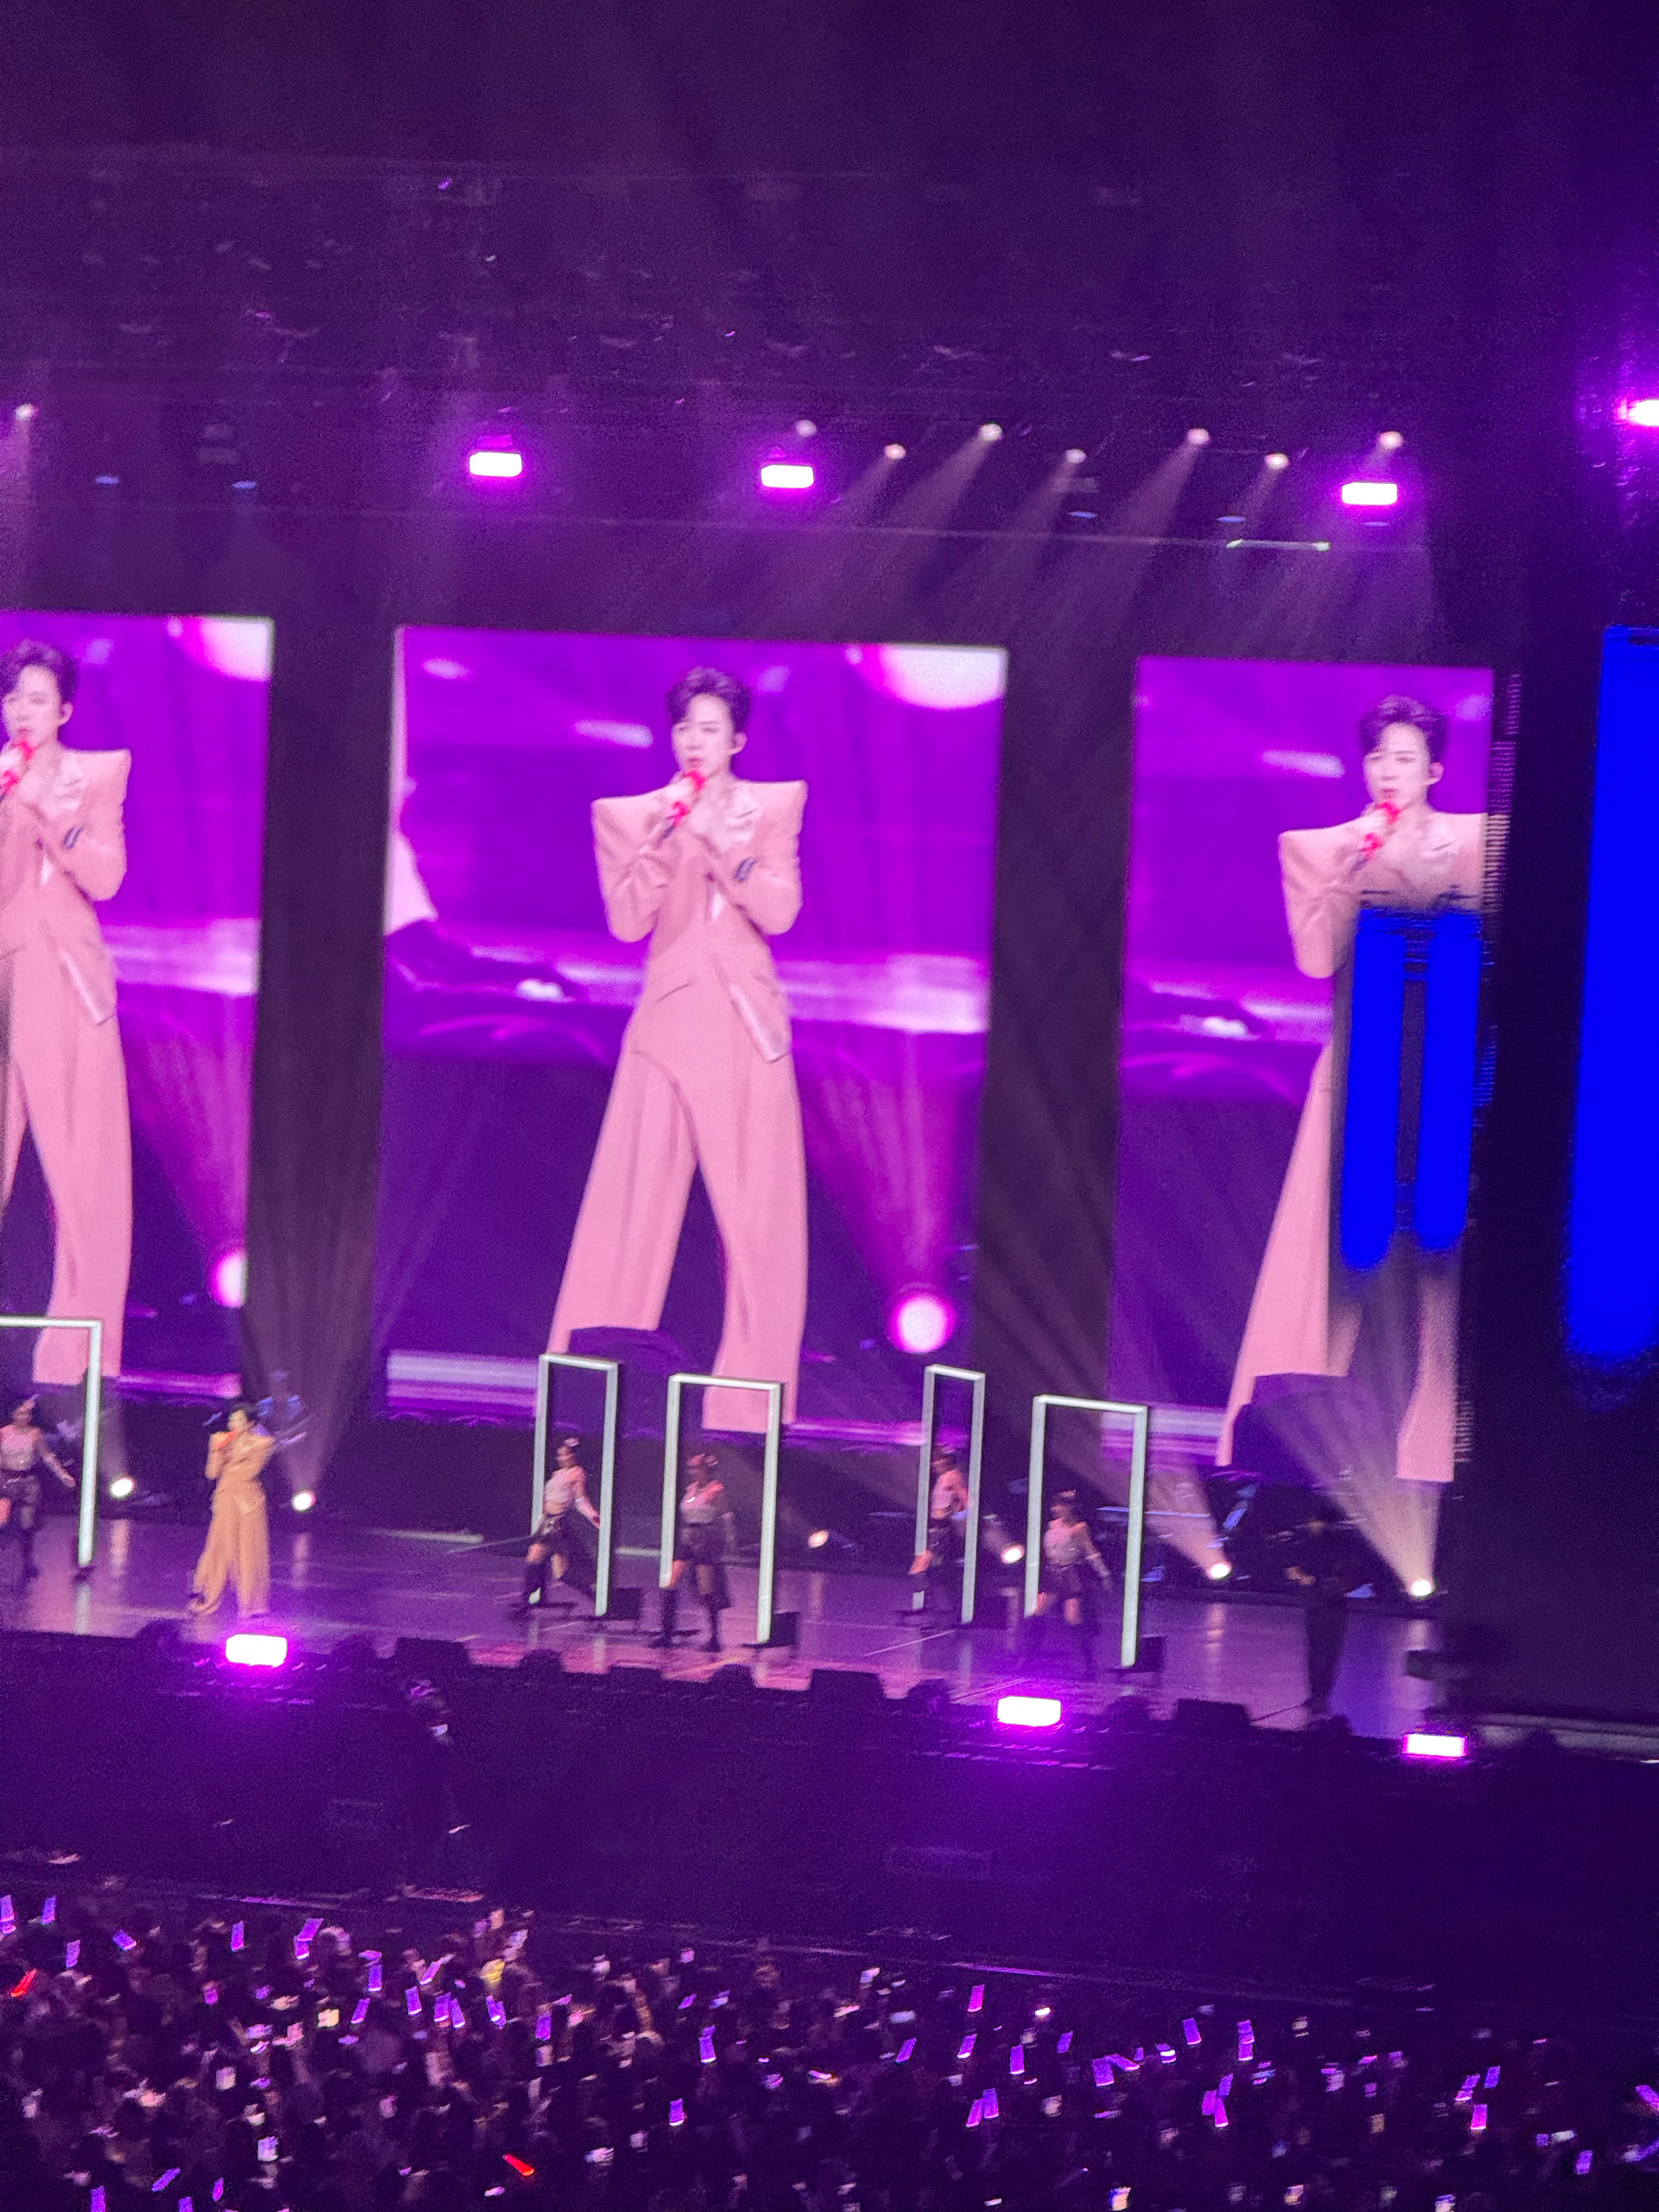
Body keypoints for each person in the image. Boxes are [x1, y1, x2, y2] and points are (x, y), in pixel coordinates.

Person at [1218, 695, 1487, 1487]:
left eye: (1405, 758)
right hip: (1362, 1078)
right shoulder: (1318, 849)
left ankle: (1438, 1458)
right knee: (1331, 1273)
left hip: (1448, 1075)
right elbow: (1315, 959)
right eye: (1377, 758)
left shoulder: (1482, 843)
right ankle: (1291, 1452)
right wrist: (1350, 871)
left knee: (1446, 1274)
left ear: (1434, 769)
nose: (1388, 771)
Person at [549, 667, 808, 1432]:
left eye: (711, 728)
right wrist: (664, 843)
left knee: (761, 1225)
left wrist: (726, 848)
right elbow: (628, 923)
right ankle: (587, 1393)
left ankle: (750, 1407)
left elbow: (781, 912)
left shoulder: (774, 806)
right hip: (667, 1022)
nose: (696, 740)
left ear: (738, 739)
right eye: (686, 728)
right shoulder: (628, 816)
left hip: (748, 1027)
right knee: (624, 1211)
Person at [0, 641, 133, 1387]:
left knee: (85, 1175)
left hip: (64, 978)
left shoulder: (98, 774)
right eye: (13, 697)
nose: (22, 710)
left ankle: (75, 1363)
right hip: (3, 968)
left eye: (38, 699)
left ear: (64, 711)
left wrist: (48, 811)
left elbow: (107, 877)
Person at [188, 1403, 274, 1618]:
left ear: (250, 1423)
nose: (233, 1423)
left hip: (248, 1502)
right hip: (226, 1498)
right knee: (218, 1544)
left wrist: (234, 1458)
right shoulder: (220, 1440)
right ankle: (205, 1594)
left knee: (248, 1548)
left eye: (239, 1419)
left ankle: (252, 1604)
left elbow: (249, 1471)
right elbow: (212, 1473)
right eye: (232, 1419)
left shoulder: (263, 1443)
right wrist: (218, 1451)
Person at [652, 1448, 737, 1654]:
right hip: (688, 1537)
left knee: (707, 1590)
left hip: (705, 1539)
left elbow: (726, 1518)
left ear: (705, 1469)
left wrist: (730, 1540)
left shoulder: (716, 1490)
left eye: (696, 1468)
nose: (692, 1472)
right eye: (691, 1468)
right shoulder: (691, 1489)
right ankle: (666, 1633)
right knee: (671, 1583)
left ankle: (715, 1638)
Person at [512, 1434, 601, 1616]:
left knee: (535, 1557)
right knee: (562, 1573)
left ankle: (525, 1603)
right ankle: (595, 1598)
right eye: (560, 1455)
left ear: (574, 1455)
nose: (562, 1458)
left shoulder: (577, 1473)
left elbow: (580, 1501)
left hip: (558, 1525)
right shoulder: (558, 1474)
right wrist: (541, 1522)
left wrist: (594, 1517)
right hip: (548, 1522)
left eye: (566, 1455)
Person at [1285, 1506, 1352, 1717]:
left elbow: (1346, 1574)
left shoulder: (1334, 1544)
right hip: (1319, 1604)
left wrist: (1310, 1579)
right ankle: (1318, 1695)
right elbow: (1293, 1568)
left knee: (1325, 1653)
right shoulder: (1311, 1543)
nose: (1311, 1525)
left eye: (1314, 1521)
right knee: (1319, 1652)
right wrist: (1301, 1575)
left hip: (1329, 1604)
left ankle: (1320, 1696)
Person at [1036, 1492, 1113, 1676]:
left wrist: (1104, 1574)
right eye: (1056, 1506)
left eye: (1062, 1506)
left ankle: (1088, 1664)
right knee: (1038, 1612)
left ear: (1071, 1508)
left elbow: (1091, 1552)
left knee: (1073, 1617)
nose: (1057, 1509)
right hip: (1053, 1572)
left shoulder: (1079, 1528)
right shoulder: (1052, 1526)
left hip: (1071, 1574)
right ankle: (1031, 1655)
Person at [0, 1395, 73, 1583]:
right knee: (2, 1523)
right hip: (5, 1482)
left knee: (27, 1525)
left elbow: (48, 1457)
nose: (23, 1417)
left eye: (27, 1414)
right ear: (13, 1414)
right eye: (20, 1413)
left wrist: (63, 1475)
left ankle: (27, 1562)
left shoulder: (35, 1434)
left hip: (27, 1484)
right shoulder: (4, 1433)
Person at [908, 1448, 969, 1615]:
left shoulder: (953, 1477)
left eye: (939, 1460)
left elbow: (965, 1501)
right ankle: (936, 1605)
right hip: (935, 1527)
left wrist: (952, 1512)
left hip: (942, 1528)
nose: (936, 1464)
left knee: (920, 1569)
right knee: (925, 1570)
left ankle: (937, 1606)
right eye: (935, 1461)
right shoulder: (941, 1478)